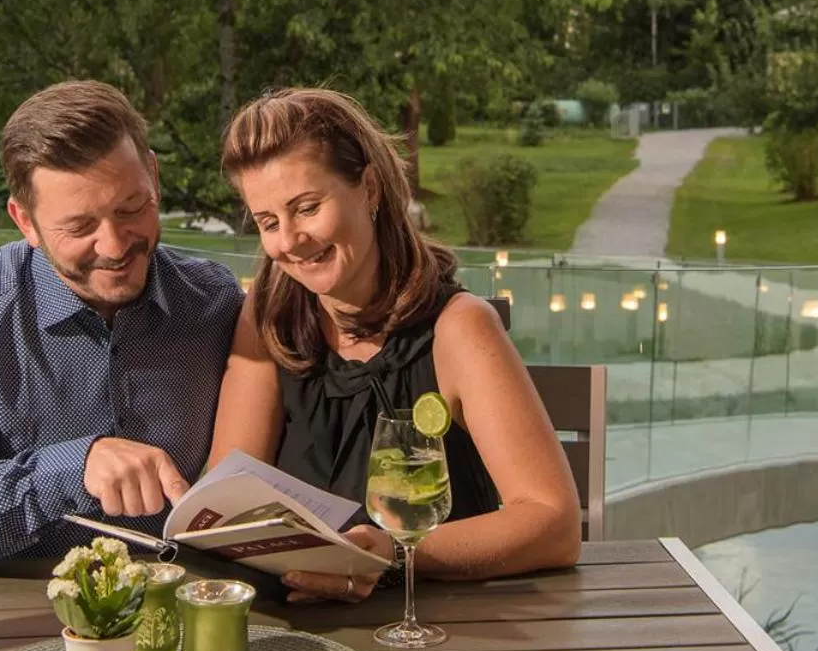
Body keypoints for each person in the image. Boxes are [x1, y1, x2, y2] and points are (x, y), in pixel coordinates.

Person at [207, 87, 582, 603]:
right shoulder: (269, 315)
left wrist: (389, 555)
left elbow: (554, 522)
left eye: (307, 208)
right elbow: (228, 495)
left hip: (445, 630)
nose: (289, 241)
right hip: (307, 635)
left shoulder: (459, 327)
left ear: (371, 188)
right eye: (270, 222)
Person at [0, 81, 243, 571]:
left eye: (131, 208)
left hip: (161, 605)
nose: (116, 246)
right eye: (80, 228)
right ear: (25, 221)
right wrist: (75, 468)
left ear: (154, 178)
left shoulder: (214, 302)